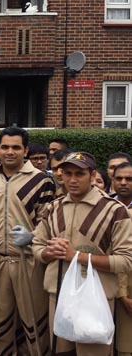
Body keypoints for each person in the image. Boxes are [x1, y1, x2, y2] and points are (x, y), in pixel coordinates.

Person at [31, 152, 132, 356]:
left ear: (93, 175)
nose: (72, 179)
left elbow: (126, 261)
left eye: (79, 173)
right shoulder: (53, 207)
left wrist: (76, 256)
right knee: (61, 351)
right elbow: (37, 245)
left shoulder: (115, 210)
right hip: (58, 294)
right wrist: (48, 253)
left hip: (96, 298)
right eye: (67, 173)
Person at [0, 126, 54, 356]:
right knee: (1, 323)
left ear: (25, 150)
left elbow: (47, 222)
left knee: (35, 322)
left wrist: (33, 239)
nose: (10, 152)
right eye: (5, 147)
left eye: (16, 147)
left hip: (29, 260)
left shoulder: (42, 181)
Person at [112, 162, 132, 356]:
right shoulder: (104, 206)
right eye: (119, 178)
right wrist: (121, 292)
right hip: (110, 283)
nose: (123, 183)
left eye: (129, 179)